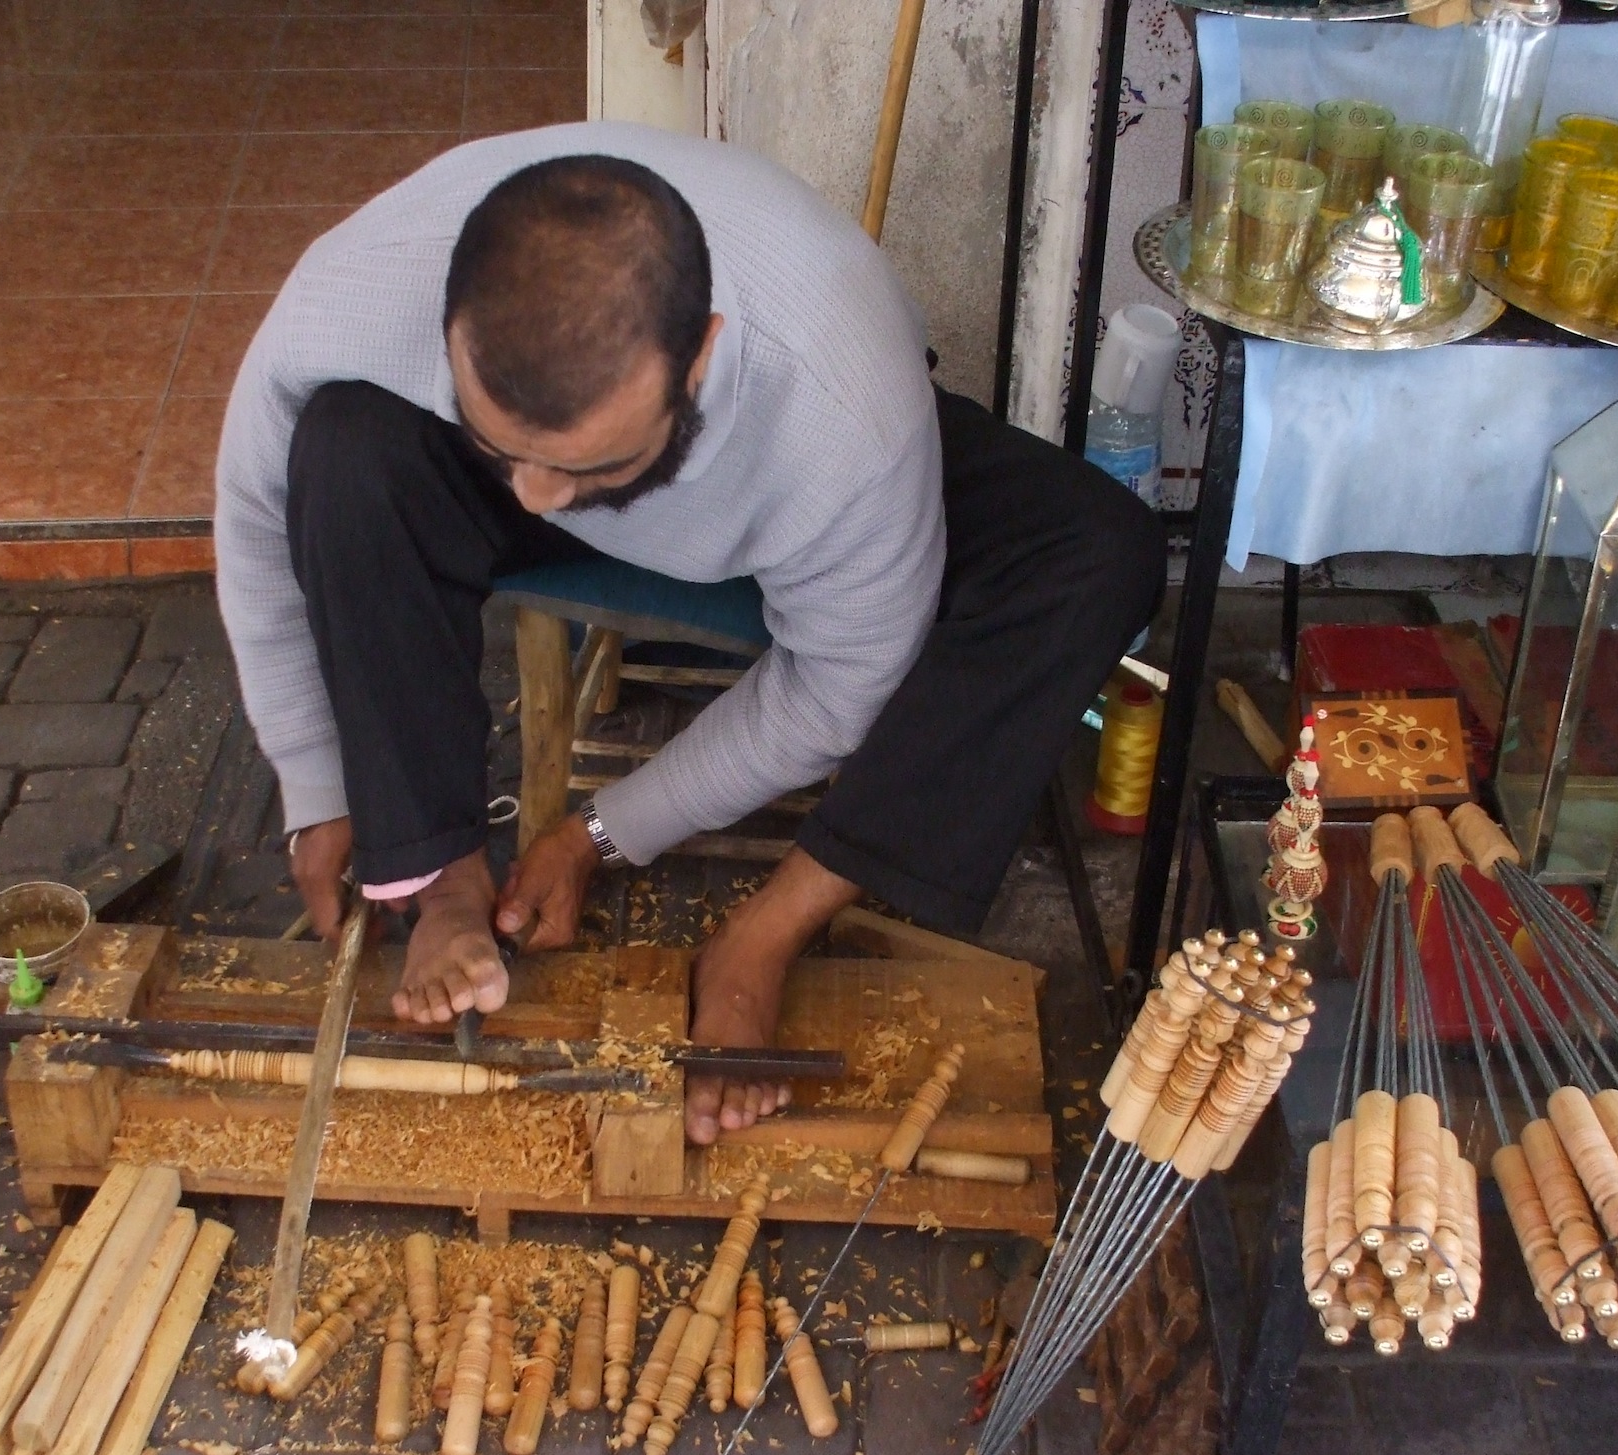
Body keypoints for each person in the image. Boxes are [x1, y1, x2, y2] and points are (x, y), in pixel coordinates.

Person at [215, 122, 1162, 1145]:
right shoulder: (356, 294)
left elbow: (837, 687)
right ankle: (441, 877)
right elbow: (259, 524)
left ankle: (765, 936)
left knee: (1096, 551)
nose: (539, 497)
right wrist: (315, 782)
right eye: (505, 446)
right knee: (347, 451)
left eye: (578, 467)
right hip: (568, 457)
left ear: (701, 353)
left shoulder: (844, 408)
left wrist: (600, 833)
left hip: (787, 488)